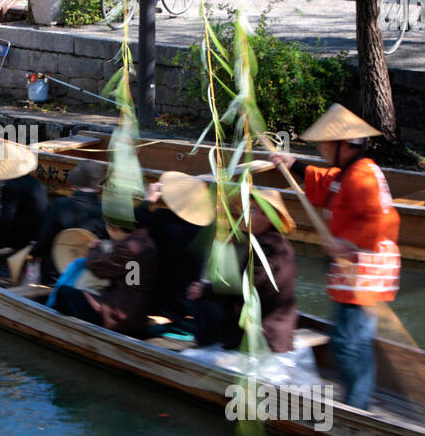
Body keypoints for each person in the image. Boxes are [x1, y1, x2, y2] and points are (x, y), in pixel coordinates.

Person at [271, 104, 400, 409]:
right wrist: (293, 164)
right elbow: (325, 181)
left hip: (365, 267)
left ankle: (357, 406)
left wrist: (347, 243)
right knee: (347, 339)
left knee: (350, 342)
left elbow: (384, 221)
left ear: (345, 145)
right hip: (353, 267)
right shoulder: (348, 173)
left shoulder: (364, 174)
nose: (320, 149)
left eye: (325, 144)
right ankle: (356, 399)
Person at [186, 188, 298, 354]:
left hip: (263, 333)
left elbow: (247, 285)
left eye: (252, 210)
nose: (246, 215)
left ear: (268, 218)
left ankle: (209, 352)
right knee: (207, 290)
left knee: (201, 297)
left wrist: (206, 289)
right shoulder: (278, 243)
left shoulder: (266, 246)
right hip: (275, 327)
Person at [52, 215, 159, 337]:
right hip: (134, 313)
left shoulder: (129, 248)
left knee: (64, 293)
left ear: (114, 228)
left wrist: (94, 249)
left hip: (120, 317)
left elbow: (98, 267)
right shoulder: (145, 241)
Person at [134, 171, 216, 323]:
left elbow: (136, 219)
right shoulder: (209, 228)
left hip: (161, 305)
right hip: (189, 305)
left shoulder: (163, 219)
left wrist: (148, 200)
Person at [31, 160, 107, 283]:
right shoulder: (105, 211)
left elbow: (43, 240)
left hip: (55, 272)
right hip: (87, 274)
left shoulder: (61, 205)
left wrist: (33, 254)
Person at [0, 140, 48, 251]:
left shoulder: (11, 186)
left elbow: (7, 218)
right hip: (35, 233)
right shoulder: (37, 183)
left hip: (19, 239)